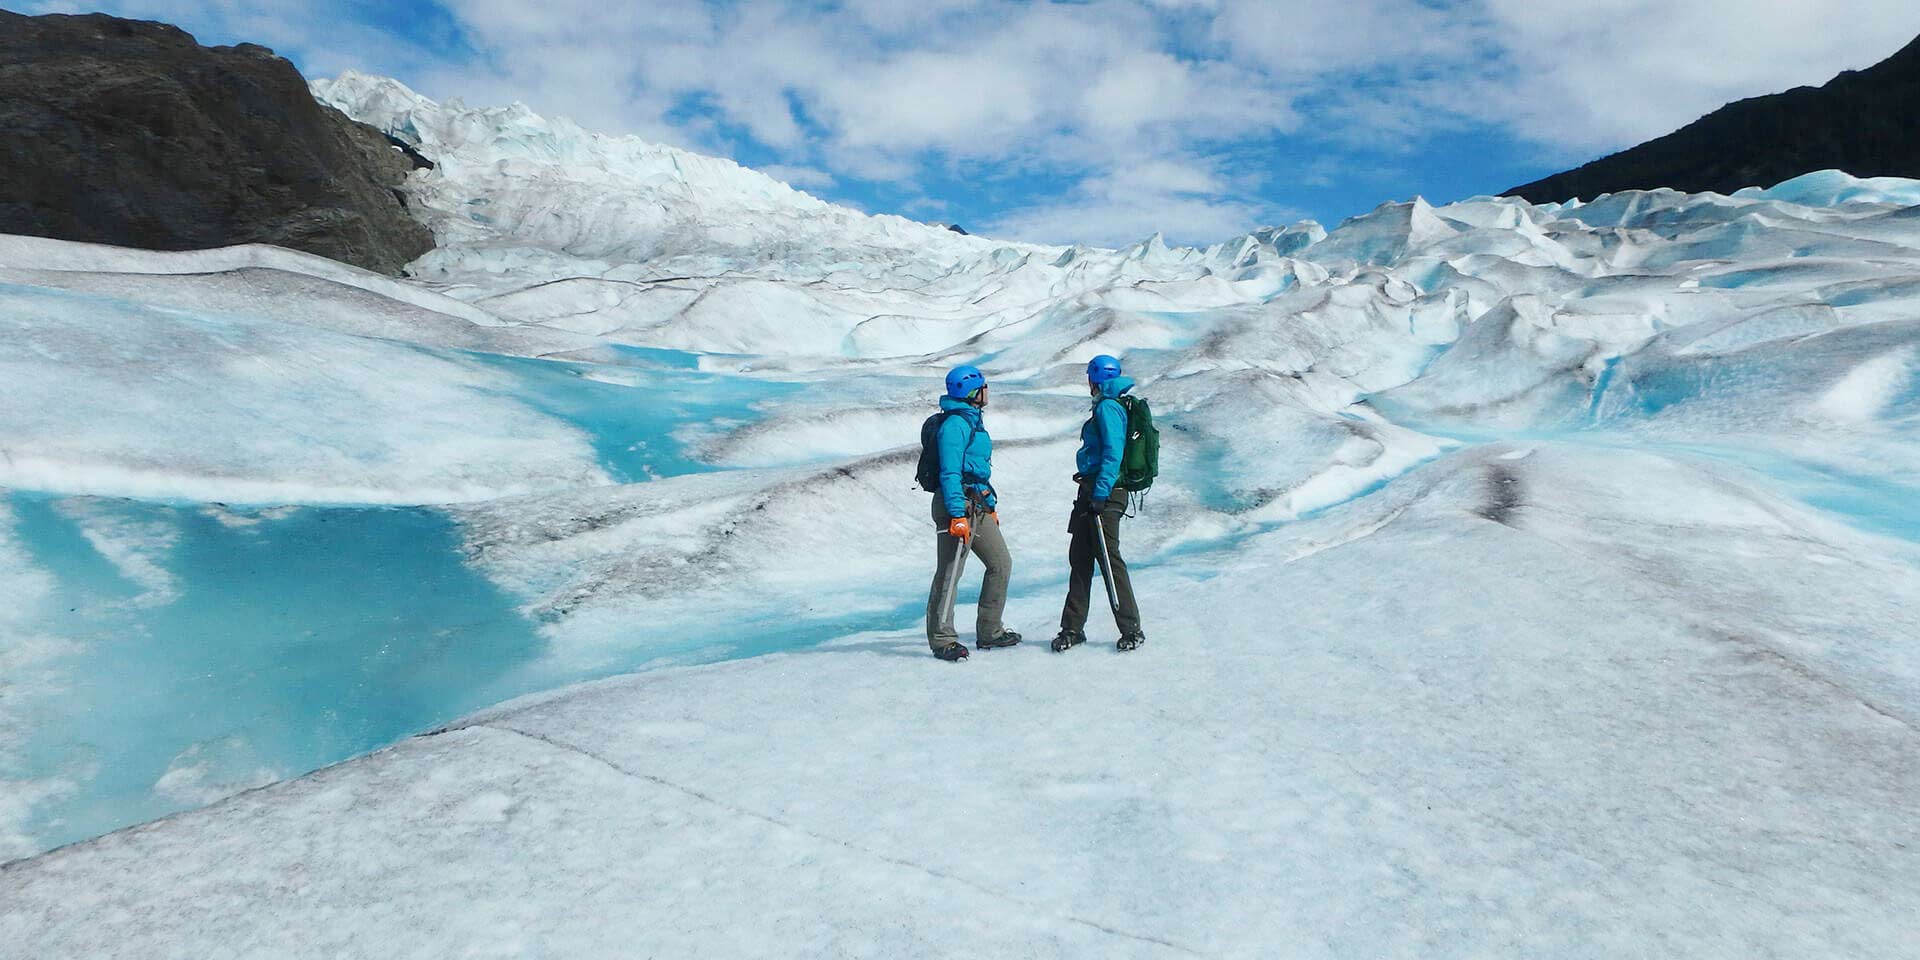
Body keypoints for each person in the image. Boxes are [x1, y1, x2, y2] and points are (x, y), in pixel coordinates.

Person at [925, 364, 1021, 661]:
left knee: (1000, 562)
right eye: (984, 386)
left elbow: (976, 470)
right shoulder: (956, 425)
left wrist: (989, 508)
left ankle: (990, 631)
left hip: (977, 504)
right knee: (950, 572)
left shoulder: (972, 420)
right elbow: (950, 472)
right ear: (973, 391)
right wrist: (956, 515)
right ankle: (942, 639)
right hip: (958, 505)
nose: (988, 391)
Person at [1053, 354, 1146, 652]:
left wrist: (1101, 494)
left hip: (1103, 493)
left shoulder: (1108, 408)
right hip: (1092, 491)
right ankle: (1072, 628)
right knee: (1080, 558)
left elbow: (1112, 453)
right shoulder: (1109, 404)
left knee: (1109, 559)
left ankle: (1131, 629)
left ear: (1093, 379)